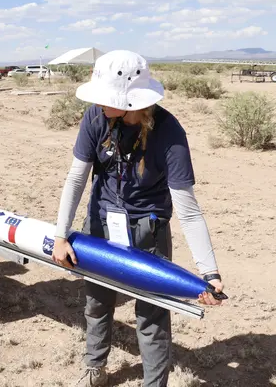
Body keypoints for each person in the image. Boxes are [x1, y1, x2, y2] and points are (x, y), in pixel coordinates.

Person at [51, 50, 225, 387]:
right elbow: (76, 178)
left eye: (105, 97)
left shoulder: (169, 134)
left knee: (152, 315)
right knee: (97, 301)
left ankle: (153, 383)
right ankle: (94, 367)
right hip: (100, 224)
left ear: (131, 103)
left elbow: (188, 210)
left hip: (148, 231)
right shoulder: (95, 118)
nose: (99, 103)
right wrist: (61, 235)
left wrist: (210, 272)